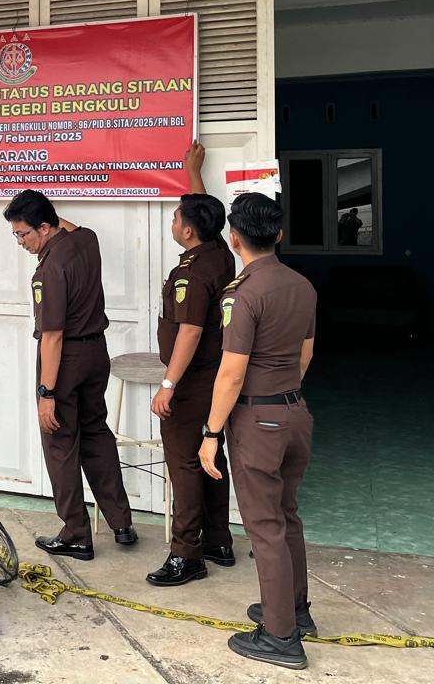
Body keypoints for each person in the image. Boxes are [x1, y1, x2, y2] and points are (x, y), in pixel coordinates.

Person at [199, 192, 318, 670]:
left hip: (258, 421)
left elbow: (231, 373)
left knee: (264, 526)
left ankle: (280, 637)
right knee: (286, 516)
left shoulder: (242, 292)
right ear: (279, 235)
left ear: (234, 237)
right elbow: (305, 357)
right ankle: (294, 610)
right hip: (295, 413)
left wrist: (211, 433)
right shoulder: (302, 285)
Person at [3, 190, 135, 560]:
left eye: (23, 234)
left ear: (45, 228)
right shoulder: (86, 240)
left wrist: (46, 392)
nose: (21, 242)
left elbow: (52, 336)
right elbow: (71, 227)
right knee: (96, 432)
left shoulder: (49, 270)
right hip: (97, 354)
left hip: (66, 360)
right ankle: (121, 522)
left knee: (59, 443)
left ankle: (76, 533)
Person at [147, 142, 237, 587]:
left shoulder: (192, 274)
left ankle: (187, 553)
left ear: (186, 232)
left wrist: (167, 383)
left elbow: (190, 331)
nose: (173, 220)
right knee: (210, 454)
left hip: (193, 379)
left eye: (176, 217)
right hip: (216, 378)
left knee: (183, 462)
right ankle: (218, 540)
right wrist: (192, 172)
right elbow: (204, 214)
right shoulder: (218, 252)